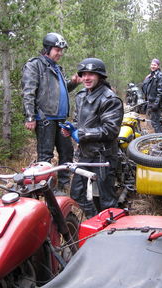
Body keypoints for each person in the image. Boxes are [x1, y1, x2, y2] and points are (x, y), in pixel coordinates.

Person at [62, 58, 124, 218]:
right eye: (83, 74)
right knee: (77, 193)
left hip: (102, 156)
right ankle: (95, 220)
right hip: (84, 155)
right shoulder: (81, 95)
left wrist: (81, 134)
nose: (86, 78)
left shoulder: (110, 99)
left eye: (91, 74)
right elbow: (78, 121)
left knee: (107, 200)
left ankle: (112, 231)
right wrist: (72, 128)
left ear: (100, 76)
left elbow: (111, 130)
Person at [21, 32, 81, 194]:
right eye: (57, 49)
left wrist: (73, 83)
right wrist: (30, 116)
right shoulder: (35, 65)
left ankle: (62, 185)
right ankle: (43, 189)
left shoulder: (56, 67)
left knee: (67, 152)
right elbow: (28, 92)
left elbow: (59, 92)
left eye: (62, 50)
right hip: (45, 118)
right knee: (45, 156)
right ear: (47, 49)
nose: (60, 53)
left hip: (61, 119)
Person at [142, 58, 162, 133]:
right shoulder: (151, 76)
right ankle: (159, 135)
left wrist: (156, 104)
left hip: (156, 102)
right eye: (152, 64)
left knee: (155, 122)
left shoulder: (160, 76)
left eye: (155, 65)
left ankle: (160, 138)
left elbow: (161, 91)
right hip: (151, 101)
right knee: (154, 121)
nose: (153, 66)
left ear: (158, 66)